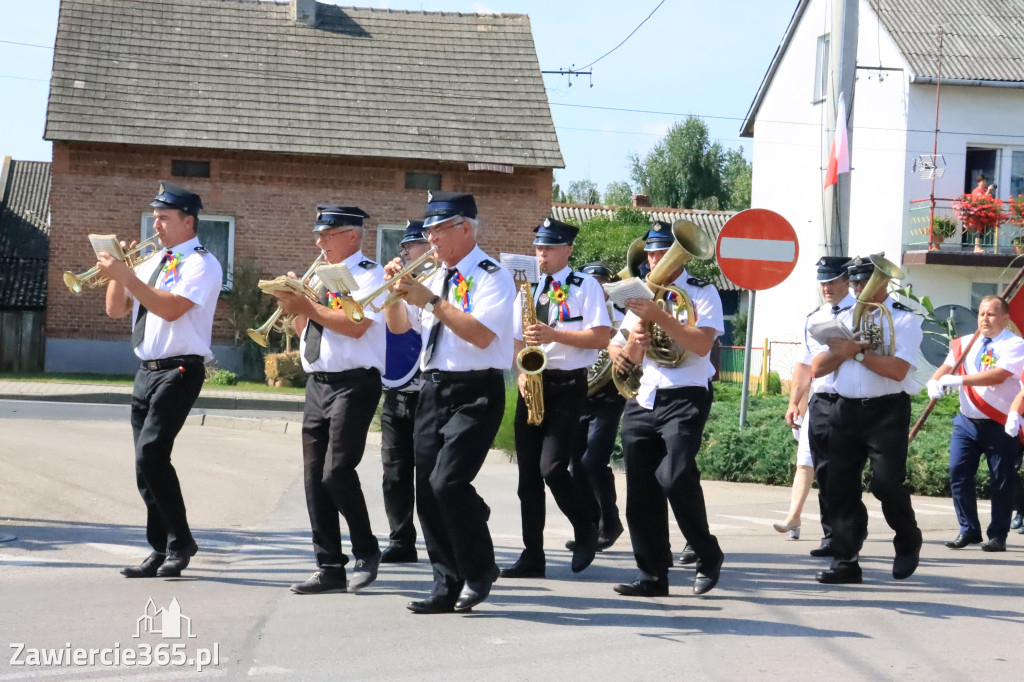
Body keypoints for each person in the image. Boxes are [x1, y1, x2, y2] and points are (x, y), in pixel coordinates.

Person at [384, 191, 515, 614]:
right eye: (428, 231)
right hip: (432, 388)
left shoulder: (493, 276)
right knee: (428, 492)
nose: (430, 239)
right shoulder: (434, 277)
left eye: (438, 230)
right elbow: (403, 328)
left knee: (447, 482)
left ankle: (479, 570)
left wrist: (431, 300)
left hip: (476, 391)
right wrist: (394, 295)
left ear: (464, 227)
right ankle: (445, 582)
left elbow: (480, 335)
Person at [100, 181, 222, 579]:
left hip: (181, 369)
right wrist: (121, 272)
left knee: (152, 453)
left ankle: (181, 542)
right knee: (144, 465)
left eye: (165, 218)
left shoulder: (201, 263)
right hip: (146, 371)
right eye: (155, 217)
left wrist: (130, 277)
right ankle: (161, 547)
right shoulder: (154, 261)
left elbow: (170, 310)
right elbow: (117, 310)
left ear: (189, 221)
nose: (157, 225)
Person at [608, 220, 725, 598]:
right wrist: (636, 345)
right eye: (653, 253)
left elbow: (702, 344)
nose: (656, 260)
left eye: (662, 252)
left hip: (687, 394)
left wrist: (658, 318)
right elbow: (627, 356)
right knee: (640, 491)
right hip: (646, 397)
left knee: (674, 477)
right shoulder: (641, 296)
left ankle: (707, 552)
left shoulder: (703, 293)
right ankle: (653, 575)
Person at [274, 205, 385, 595]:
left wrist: (307, 306)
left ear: (352, 235)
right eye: (318, 234)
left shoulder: (370, 274)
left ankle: (367, 550)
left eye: (327, 234)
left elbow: (357, 327)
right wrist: (293, 304)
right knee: (312, 479)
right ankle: (328, 566)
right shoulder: (319, 276)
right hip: (318, 383)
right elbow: (307, 326)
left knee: (336, 471)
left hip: (354, 382)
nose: (318, 242)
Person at [501, 220, 611, 579]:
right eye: (538, 248)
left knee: (552, 468)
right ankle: (533, 555)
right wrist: (520, 370)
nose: (541, 255)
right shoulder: (527, 287)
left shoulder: (586, 285)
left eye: (548, 248)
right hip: (533, 382)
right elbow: (517, 337)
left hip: (568, 384)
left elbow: (599, 336)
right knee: (527, 478)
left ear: (567, 250)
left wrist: (553, 334)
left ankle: (585, 526)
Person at [808, 255, 923, 584]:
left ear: (884, 282)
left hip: (886, 411)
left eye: (865, 281)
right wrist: (841, 351)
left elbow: (898, 370)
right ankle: (846, 561)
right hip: (845, 410)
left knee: (886, 484)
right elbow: (818, 368)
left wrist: (856, 352)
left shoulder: (904, 319)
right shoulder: (840, 318)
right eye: (855, 282)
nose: (860, 288)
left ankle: (907, 539)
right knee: (839, 488)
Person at [929, 296, 1024, 553]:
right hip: (967, 422)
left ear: (1005, 318)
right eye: (982, 313)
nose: (985, 318)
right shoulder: (965, 343)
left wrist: (959, 381)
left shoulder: (1014, 344)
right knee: (958, 473)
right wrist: (934, 381)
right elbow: (948, 366)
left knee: (1001, 480)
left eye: (991, 314)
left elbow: (1000, 374)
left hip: (999, 422)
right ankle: (969, 529)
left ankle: (998, 535)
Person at [778, 257, 859, 555]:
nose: (826, 287)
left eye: (832, 281)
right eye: (822, 281)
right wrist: (794, 402)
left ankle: (846, 532)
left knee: (841, 472)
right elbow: (803, 366)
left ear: (846, 280)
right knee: (819, 469)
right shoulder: (813, 317)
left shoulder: (860, 313)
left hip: (851, 401)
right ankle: (830, 536)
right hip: (820, 401)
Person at [378, 220, 431, 564]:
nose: (421, 252)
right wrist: (392, 292)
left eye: (426, 245)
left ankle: (464, 512)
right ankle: (401, 540)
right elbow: (397, 327)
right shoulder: (400, 282)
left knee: (431, 474)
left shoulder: (447, 283)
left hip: (432, 389)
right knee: (395, 471)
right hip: (399, 388)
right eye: (414, 247)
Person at [567, 261, 627, 553]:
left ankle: (610, 522)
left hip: (610, 395)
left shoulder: (621, 317)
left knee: (593, 461)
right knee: (575, 465)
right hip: (581, 393)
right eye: (593, 283)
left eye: (602, 283)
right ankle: (590, 527)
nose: (597, 288)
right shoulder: (577, 313)